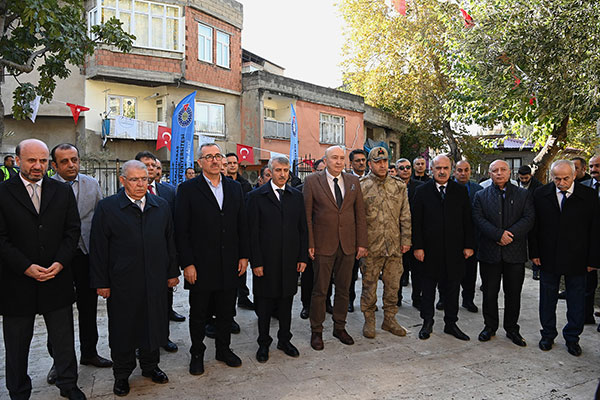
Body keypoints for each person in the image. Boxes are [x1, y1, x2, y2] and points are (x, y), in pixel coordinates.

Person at [0, 139, 85, 400]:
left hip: (56, 278)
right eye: (31, 160)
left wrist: (60, 262)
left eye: (43, 161)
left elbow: (72, 231)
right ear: (17, 161)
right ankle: (18, 391)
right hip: (17, 282)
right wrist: (25, 267)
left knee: (63, 341)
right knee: (16, 345)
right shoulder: (2, 193)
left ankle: (68, 385)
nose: (38, 166)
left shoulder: (61, 192)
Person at [90, 160, 179, 396]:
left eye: (145, 179)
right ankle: (122, 374)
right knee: (123, 330)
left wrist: (172, 273)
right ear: (123, 181)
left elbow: (169, 241)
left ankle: (151, 367)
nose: (141, 184)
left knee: (154, 324)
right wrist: (102, 282)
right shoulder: (108, 208)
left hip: (155, 280)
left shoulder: (160, 206)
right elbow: (98, 248)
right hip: (122, 283)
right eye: (135, 179)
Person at [175, 143, 250, 375]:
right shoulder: (188, 189)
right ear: (200, 163)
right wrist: (187, 263)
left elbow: (242, 225)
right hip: (200, 265)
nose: (215, 160)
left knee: (226, 311)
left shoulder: (235, 188)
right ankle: (197, 353)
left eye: (218, 156)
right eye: (209, 157)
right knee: (199, 313)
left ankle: (223, 349)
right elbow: (181, 229)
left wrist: (244, 256)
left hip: (230, 262)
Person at [45, 144, 111, 385]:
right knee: (58, 312)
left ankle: (89, 352)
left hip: (86, 255)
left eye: (74, 160)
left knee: (88, 307)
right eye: (65, 161)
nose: (71, 165)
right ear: (54, 165)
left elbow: (101, 218)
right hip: (58, 259)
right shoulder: (46, 188)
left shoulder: (92, 184)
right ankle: (59, 362)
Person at [529, 160, 600, 357]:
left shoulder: (589, 196)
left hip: (578, 257)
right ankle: (548, 334)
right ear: (551, 177)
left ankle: (572, 338)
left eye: (565, 178)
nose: (561, 182)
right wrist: (534, 253)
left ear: (575, 175)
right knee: (547, 298)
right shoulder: (541, 194)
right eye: (557, 178)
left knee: (576, 300)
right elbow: (534, 228)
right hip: (548, 256)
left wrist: (593, 260)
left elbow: (595, 229)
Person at [303, 145, 368, 350]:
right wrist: (310, 243)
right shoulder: (312, 181)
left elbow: (360, 214)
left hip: (348, 245)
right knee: (320, 290)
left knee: (343, 289)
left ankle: (339, 327)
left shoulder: (353, 181)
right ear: (326, 160)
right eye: (334, 158)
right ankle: (317, 331)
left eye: (341, 158)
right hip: (323, 245)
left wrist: (361, 243)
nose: (339, 162)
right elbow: (306, 217)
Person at [247, 155, 308, 362]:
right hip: (266, 262)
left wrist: (302, 257)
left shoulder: (296, 196)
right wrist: (256, 262)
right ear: (270, 172)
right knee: (264, 306)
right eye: (278, 170)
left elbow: (302, 230)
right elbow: (252, 233)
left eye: (285, 170)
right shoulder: (256, 197)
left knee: (286, 303)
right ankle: (263, 343)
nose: (282, 174)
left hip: (290, 261)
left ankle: (284, 339)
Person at [411, 154, 474, 341]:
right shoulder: (422, 191)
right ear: (432, 169)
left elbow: (467, 221)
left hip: (454, 251)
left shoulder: (460, 191)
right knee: (428, 288)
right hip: (429, 251)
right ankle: (427, 322)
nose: (442, 171)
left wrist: (469, 245)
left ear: (451, 170)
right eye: (438, 168)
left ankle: (451, 323)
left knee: (452, 288)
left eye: (445, 168)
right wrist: (418, 247)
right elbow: (416, 221)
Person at [472, 160, 535, 347]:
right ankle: (489, 326)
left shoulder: (523, 195)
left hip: (514, 253)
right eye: (495, 170)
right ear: (489, 174)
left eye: (503, 170)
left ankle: (512, 328)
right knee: (489, 293)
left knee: (513, 293)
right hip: (490, 253)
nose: (499, 173)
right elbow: (478, 218)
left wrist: (510, 235)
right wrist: (497, 234)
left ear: (509, 173)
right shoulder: (481, 196)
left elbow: (529, 218)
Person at [359, 147, 412, 338]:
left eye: (385, 161)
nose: (382, 165)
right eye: (377, 162)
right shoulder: (361, 185)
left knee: (393, 286)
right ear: (370, 163)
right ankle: (369, 320)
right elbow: (358, 219)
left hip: (394, 246)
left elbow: (405, 215)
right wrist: (360, 244)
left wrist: (406, 240)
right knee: (369, 285)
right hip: (371, 247)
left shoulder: (399, 185)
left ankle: (390, 319)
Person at [135, 151, 182, 353]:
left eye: (153, 165)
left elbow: (175, 224)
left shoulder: (169, 191)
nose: (151, 169)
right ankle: (140, 342)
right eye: (146, 165)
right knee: (140, 304)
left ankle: (163, 337)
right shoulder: (129, 194)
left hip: (164, 256)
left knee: (164, 300)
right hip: (138, 260)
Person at [299, 158, 328, 319]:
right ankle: (306, 305)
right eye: (320, 171)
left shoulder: (333, 189)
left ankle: (326, 303)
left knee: (326, 276)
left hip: (327, 240)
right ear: (313, 171)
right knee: (309, 275)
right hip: (309, 240)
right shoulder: (300, 189)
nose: (322, 174)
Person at [453, 160, 484, 313]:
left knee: (470, 273)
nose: (463, 173)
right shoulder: (446, 188)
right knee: (448, 273)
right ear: (454, 172)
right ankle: (444, 299)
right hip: (451, 238)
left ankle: (468, 300)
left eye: (466, 170)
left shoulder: (478, 190)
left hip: (472, 238)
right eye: (460, 170)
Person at [225, 152, 254, 310]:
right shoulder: (222, 183)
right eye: (229, 163)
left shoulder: (245, 185)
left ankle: (243, 297)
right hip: (226, 232)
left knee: (242, 266)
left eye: (234, 162)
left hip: (241, 231)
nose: (232, 165)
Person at [395, 158, 423, 309]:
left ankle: (417, 298)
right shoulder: (391, 187)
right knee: (398, 270)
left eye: (407, 167)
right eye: (401, 168)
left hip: (415, 234)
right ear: (397, 170)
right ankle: (397, 298)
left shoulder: (420, 187)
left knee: (417, 270)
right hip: (397, 235)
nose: (405, 170)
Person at [580, 154, 600, 329]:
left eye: (598, 166)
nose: (594, 170)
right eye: (592, 166)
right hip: (588, 243)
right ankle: (586, 315)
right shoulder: (583, 188)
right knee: (588, 281)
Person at [347, 148, 368, 312]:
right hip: (352, 233)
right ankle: (349, 300)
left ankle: (369, 302)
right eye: (358, 160)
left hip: (371, 232)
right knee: (350, 272)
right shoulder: (347, 181)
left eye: (363, 160)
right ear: (351, 163)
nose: (361, 163)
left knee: (370, 272)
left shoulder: (372, 180)